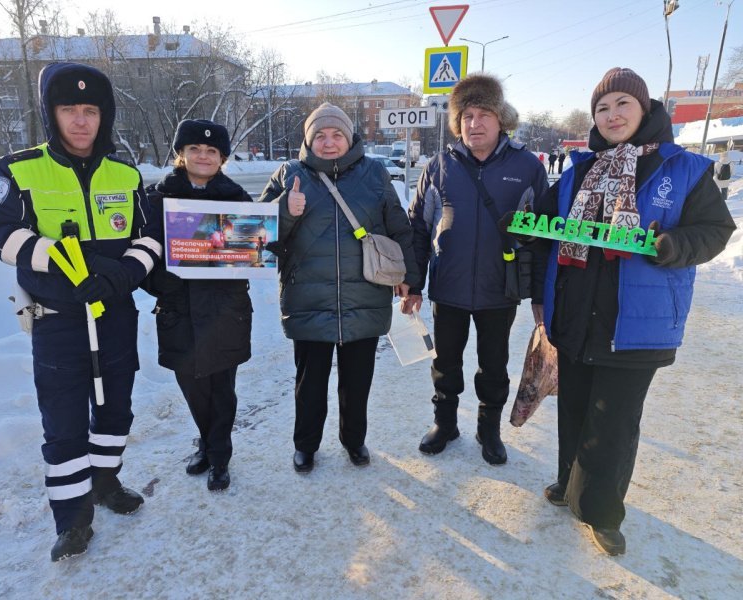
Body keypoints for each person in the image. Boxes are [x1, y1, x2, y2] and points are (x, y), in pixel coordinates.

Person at [518, 67, 734, 556]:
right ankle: (568, 483)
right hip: (575, 315)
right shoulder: (578, 171)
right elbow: (548, 225)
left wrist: (673, 245)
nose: (612, 115)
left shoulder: (683, 169)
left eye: (622, 104)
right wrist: (526, 228)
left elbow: (715, 231)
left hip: (636, 322)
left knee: (613, 422)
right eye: (602, 108)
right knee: (574, 409)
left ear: (645, 109)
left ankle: (602, 512)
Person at [0, 62, 163, 561]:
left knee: (115, 410)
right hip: (57, 319)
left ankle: (106, 483)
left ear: (104, 116)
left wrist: (123, 274)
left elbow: (149, 237)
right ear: (52, 113)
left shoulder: (125, 173)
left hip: (115, 316)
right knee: (63, 423)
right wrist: (71, 266)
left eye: (91, 110)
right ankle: (72, 520)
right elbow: (4, 236)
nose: (81, 120)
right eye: (69, 109)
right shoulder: (20, 169)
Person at [260, 102, 420, 473]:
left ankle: (354, 440)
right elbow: (258, 237)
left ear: (349, 139)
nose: (329, 142)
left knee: (357, 381)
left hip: (365, 293)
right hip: (307, 297)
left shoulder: (374, 173)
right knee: (310, 383)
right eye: (320, 135)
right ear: (308, 140)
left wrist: (409, 278)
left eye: (336, 135)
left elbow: (399, 228)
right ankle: (306, 446)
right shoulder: (289, 174)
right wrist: (284, 210)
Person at [404, 73, 549, 465]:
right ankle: (445, 423)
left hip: (499, 288)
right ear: (458, 122)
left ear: (501, 119)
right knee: (445, 363)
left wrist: (540, 294)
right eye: (467, 115)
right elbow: (418, 228)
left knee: (494, 366)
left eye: (484, 114)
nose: (475, 123)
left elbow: (542, 238)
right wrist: (414, 283)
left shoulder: (527, 167)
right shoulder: (439, 166)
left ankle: (489, 430)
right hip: (448, 287)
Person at [142, 119, 253, 492]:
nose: (203, 156)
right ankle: (206, 442)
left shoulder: (236, 198)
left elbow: (256, 249)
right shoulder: (156, 199)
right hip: (179, 311)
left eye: (211, 151)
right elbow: (142, 254)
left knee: (222, 389)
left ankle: (219, 457)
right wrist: (161, 282)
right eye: (194, 149)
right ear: (181, 154)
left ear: (222, 158)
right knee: (193, 387)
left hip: (226, 311)